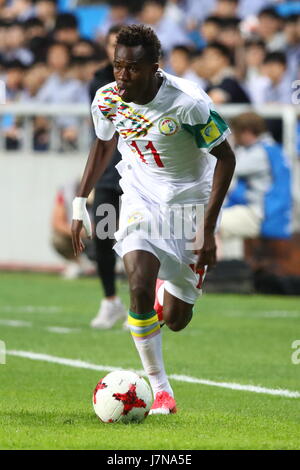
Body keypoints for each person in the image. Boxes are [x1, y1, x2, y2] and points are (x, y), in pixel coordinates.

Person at [71, 24, 235, 414]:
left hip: (189, 207)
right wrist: (81, 203)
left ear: (154, 68)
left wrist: (208, 229)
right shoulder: (108, 98)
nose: (122, 77)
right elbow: (104, 141)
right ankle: (161, 389)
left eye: (132, 69)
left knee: (177, 319)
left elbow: (225, 157)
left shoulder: (188, 102)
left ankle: (167, 295)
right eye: (117, 66)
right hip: (141, 197)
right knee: (139, 284)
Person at [89, 25, 127, 329]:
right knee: (103, 236)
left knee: (143, 239)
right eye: (112, 45)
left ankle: (143, 307)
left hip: (141, 173)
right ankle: (110, 300)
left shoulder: (152, 81)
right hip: (107, 173)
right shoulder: (100, 83)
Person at [218, 112, 292, 259]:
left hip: (259, 213)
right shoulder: (272, 148)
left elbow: (224, 167)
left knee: (210, 224)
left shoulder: (259, 152)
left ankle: (213, 275)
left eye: (236, 133)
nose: (234, 138)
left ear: (246, 132)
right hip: (268, 211)